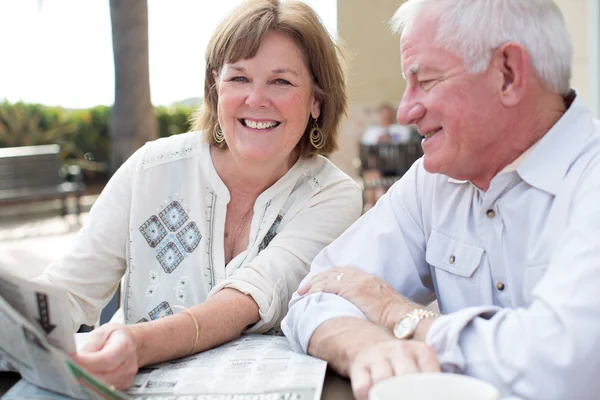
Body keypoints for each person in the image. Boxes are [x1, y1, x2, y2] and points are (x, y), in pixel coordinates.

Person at [34, 0, 362, 390]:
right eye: (238, 78)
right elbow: (67, 291)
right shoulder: (151, 169)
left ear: (316, 101)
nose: (256, 99)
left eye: (281, 81)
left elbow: (248, 299)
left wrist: (137, 344)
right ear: (215, 88)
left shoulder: (332, 195)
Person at [282, 0, 600, 399]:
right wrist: (367, 346)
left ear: (507, 74)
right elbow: (316, 292)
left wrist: (400, 317)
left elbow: (562, 364)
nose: (405, 111)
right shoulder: (436, 180)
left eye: (425, 80)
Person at [360, 104, 414, 211]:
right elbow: (365, 150)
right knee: (372, 172)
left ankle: (378, 205)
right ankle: (372, 205)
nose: (386, 116)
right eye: (383, 114)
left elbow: (407, 148)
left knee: (375, 176)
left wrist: (389, 140)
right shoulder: (372, 131)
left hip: (398, 167)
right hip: (377, 167)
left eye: (388, 114)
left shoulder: (401, 130)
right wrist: (379, 140)